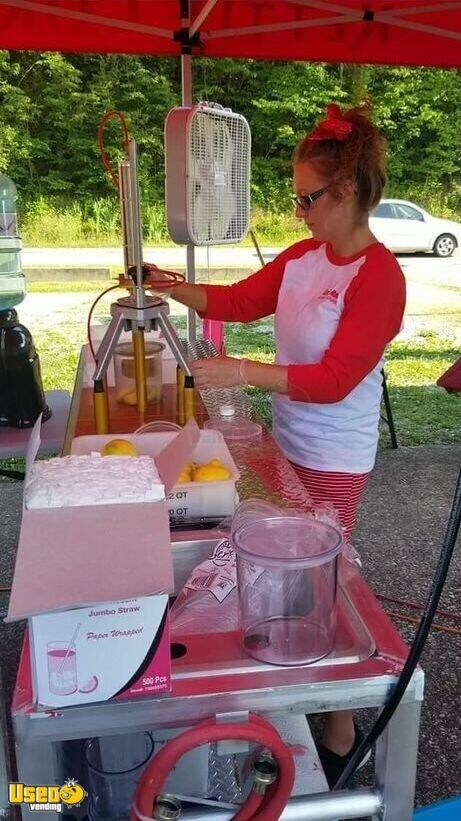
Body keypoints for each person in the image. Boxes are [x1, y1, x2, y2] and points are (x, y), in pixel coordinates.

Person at [149, 102, 406, 786]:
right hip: (287, 440)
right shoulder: (303, 258)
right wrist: (173, 287)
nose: (298, 211)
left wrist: (241, 372)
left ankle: (339, 721)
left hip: (336, 456)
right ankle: (290, 697)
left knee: (318, 581)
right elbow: (239, 300)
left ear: (345, 192)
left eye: (307, 198)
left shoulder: (379, 276)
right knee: (288, 574)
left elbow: (335, 379)